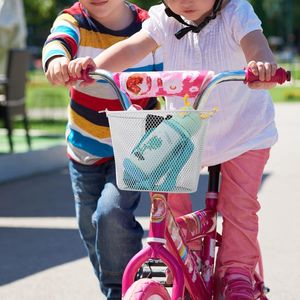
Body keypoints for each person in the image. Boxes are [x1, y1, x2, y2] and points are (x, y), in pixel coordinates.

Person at [67, 0, 279, 299]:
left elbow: (255, 44)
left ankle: (237, 272)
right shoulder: (163, 19)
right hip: (189, 129)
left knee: (238, 207)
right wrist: (94, 66)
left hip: (243, 134)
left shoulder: (236, 12)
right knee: (167, 199)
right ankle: (183, 258)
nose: (185, 1)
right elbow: (132, 47)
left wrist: (261, 64)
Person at [42, 1, 162, 299]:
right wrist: (57, 61)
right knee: (90, 225)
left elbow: (171, 76)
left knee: (110, 213)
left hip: (134, 148)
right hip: (85, 148)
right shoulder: (74, 21)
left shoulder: (148, 26)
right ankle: (118, 285)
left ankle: (121, 291)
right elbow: (58, 41)